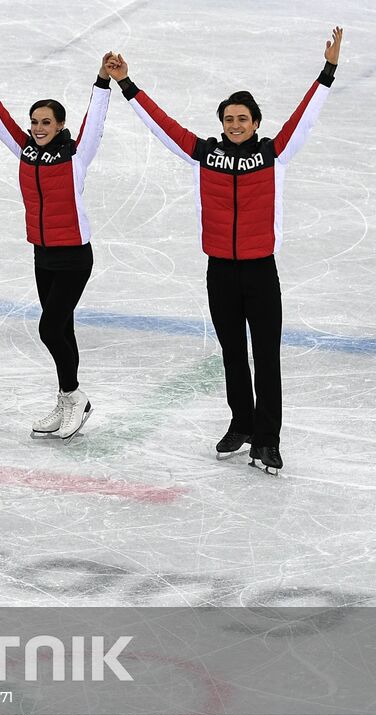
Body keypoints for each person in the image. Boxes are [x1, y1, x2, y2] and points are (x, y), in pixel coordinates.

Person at [109, 27, 343, 474]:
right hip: (220, 270)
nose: (235, 126)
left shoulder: (273, 154)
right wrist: (127, 85)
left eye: (243, 119)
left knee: (266, 357)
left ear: (256, 122)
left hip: (260, 272)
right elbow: (164, 126)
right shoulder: (205, 153)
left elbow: (304, 117)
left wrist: (328, 69)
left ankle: (268, 440)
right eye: (229, 119)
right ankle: (241, 424)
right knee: (232, 353)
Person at [0, 54, 116, 440]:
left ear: (60, 125)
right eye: (34, 122)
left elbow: (94, 122)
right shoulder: (25, 150)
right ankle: (67, 400)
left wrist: (102, 79)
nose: (38, 128)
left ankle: (74, 396)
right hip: (42, 255)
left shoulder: (77, 154)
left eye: (47, 122)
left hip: (74, 256)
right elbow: (1, 124)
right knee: (64, 328)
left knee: (49, 328)